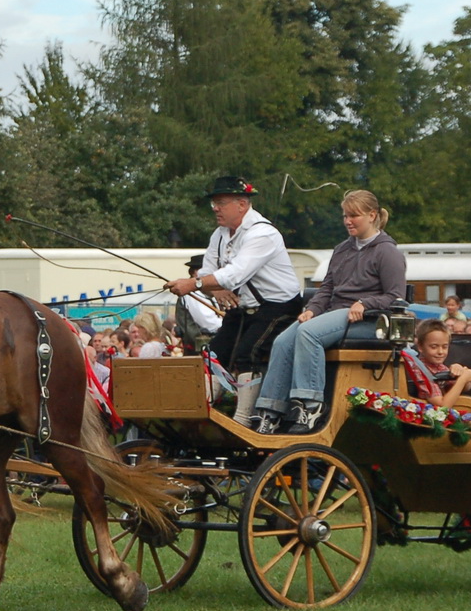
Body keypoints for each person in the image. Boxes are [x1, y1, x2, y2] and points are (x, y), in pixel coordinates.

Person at [251, 189, 406, 434]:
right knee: (282, 341)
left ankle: (311, 405)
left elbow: (395, 296)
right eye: (345, 216)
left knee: (309, 334)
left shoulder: (387, 252)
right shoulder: (342, 250)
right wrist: (312, 309)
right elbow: (327, 288)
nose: (347, 221)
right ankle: (271, 411)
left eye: (354, 215)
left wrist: (365, 304)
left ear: (372, 215)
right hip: (335, 312)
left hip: (368, 320)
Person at [164, 175, 304, 427]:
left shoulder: (262, 233)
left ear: (242, 204)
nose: (216, 208)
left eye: (221, 202)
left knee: (246, 353)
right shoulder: (219, 235)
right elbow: (208, 271)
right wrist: (215, 291)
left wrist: (193, 285)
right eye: (214, 203)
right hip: (245, 307)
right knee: (213, 354)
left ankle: (244, 420)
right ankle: (201, 412)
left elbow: (235, 273)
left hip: (279, 307)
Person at [173, 253, 221, 353]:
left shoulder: (208, 291)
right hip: (202, 350)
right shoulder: (191, 294)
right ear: (194, 272)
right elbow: (209, 323)